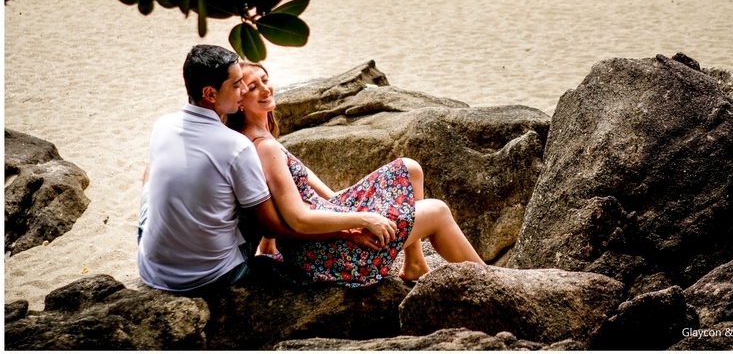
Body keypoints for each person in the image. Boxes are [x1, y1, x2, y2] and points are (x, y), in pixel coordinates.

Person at [226, 61, 484, 286]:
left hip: (318, 233)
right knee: (437, 211)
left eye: (265, 80)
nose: (265, 89)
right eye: (253, 87)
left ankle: (415, 263)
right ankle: (493, 281)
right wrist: (364, 220)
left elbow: (322, 197)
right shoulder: (264, 147)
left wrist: (268, 250)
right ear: (239, 102)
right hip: (326, 253)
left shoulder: (258, 139)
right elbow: (298, 219)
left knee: (409, 168)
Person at [137, 45, 308, 295]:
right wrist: (342, 233)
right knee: (257, 192)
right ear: (210, 93)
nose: (242, 91)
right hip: (213, 276)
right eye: (236, 84)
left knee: (152, 174)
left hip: (153, 270)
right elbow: (270, 226)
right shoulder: (237, 146)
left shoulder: (162, 125)